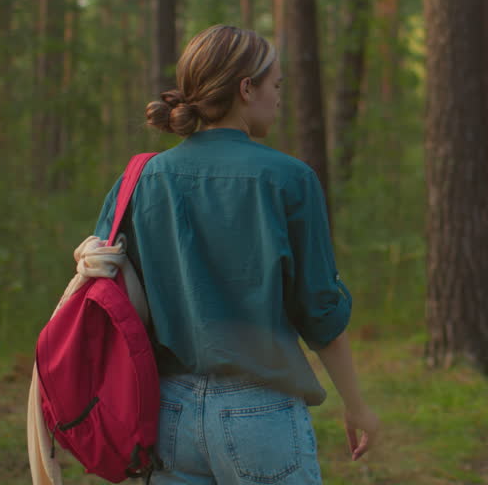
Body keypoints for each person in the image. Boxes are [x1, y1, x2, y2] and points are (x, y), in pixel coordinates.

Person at [93, 24, 379, 485]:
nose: (279, 97)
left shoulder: (143, 180)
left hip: (168, 413)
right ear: (247, 88)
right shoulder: (289, 178)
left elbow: (109, 292)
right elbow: (319, 310)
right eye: (276, 85)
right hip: (261, 412)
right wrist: (357, 404)